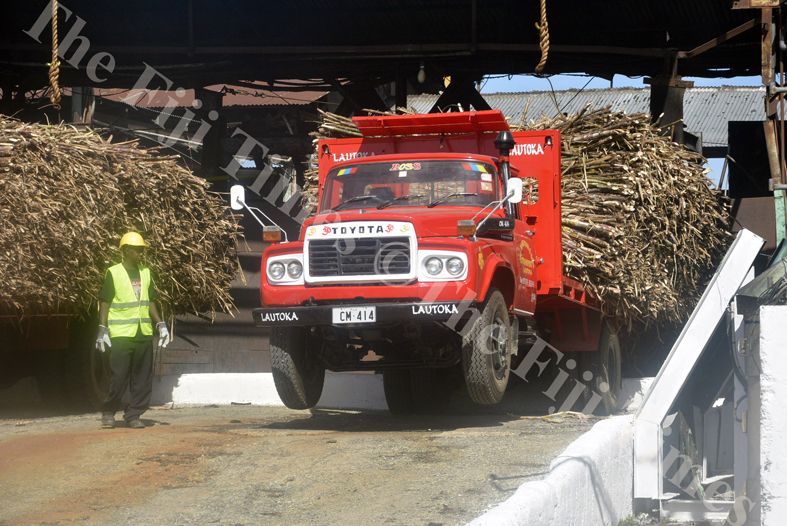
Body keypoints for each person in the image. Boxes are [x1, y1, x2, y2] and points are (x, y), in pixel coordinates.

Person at [95, 232, 171, 429]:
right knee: (119, 376)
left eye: (142, 250)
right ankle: (109, 411)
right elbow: (105, 301)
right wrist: (102, 329)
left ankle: (133, 415)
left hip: (143, 333)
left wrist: (161, 325)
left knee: (142, 379)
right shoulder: (114, 272)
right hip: (121, 334)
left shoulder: (146, 272)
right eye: (137, 250)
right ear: (126, 250)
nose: (140, 253)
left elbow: (150, 302)